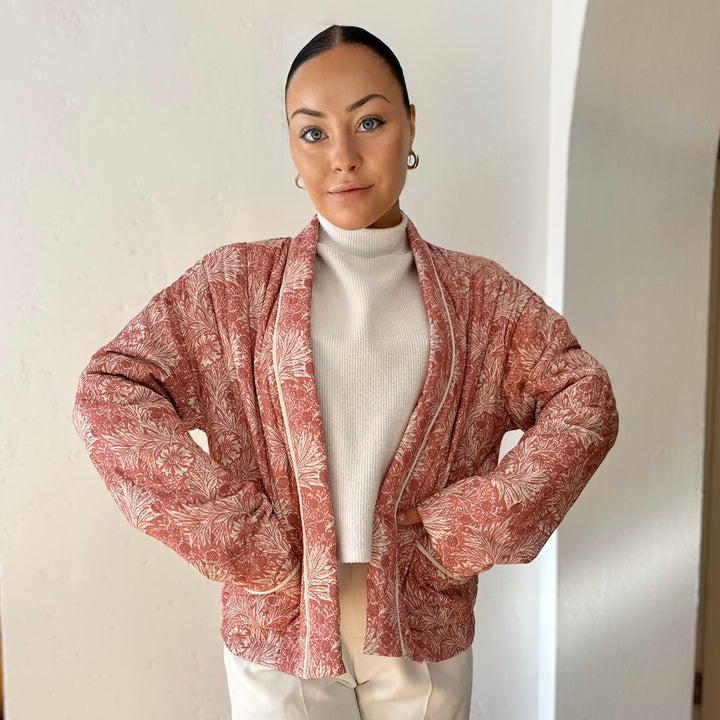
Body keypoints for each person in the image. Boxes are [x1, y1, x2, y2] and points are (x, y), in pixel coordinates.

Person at [72, 24, 619, 720]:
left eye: (369, 122)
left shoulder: (482, 300)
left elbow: (585, 399)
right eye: (313, 133)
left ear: (410, 124)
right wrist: (241, 533)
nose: (343, 157)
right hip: (280, 621)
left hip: (421, 617)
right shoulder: (234, 288)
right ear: (292, 148)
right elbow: (110, 391)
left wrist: (472, 523)